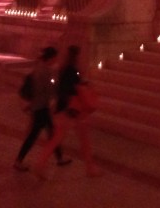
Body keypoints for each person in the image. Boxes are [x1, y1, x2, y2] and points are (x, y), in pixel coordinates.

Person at [34, 45, 98, 178]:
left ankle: (40, 163)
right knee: (84, 140)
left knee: (56, 138)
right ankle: (90, 168)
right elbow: (79, 89)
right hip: (75, 110)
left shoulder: (62, 69)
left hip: (62, 108)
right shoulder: (73, 71)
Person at [13, 47, 71, 171]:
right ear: (50, 58)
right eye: (55, 57)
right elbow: (49, 91)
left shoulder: (38, 68)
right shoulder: (46, 71)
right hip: (41, 109)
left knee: (49, 133)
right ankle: (19, 161)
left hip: (38, 107)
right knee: (37, 135)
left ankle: (59, 158)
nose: (56, 60)